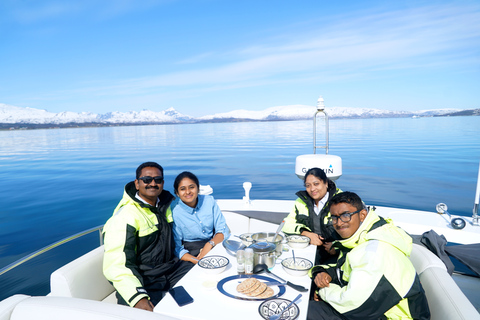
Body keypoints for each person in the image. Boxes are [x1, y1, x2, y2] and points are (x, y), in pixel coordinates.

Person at [307, 192, 430, 320]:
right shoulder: (367, 237)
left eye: (345, 215)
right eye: (334, 217)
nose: (338, 223)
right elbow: (347, 269)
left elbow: (354, 306)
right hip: (378, 309)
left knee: (307, 311)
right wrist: (325, 273)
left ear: (362, 215)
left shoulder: (374, 252)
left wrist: (322, 291)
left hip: (392, 316)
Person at [103, 162, 191, 311]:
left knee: (205, 276)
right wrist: (138, 298)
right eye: (146, 179)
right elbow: (117, 265)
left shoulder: (163, 206)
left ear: (162, 183)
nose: (152, 183)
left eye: (157, 180)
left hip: (169, 270)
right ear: (137, 183)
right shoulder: (125, 217)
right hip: (144, 278)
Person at [282, 167, 342, 263]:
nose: (312, 189)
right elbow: (285, 224)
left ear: (326, 183)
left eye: (316, 184)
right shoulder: (300, 202)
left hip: (336, 255)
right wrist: (305, 234)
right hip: (308, 251)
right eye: (308, 185)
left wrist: (338, 247)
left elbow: (354, 230)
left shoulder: (341, 201)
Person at [171, 171, 230, 264]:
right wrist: (197, 260)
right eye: (182, 189)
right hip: (190, 251)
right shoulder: (174, 212)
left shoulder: (209, 201)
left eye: (192, 187)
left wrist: (209, 244)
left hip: (213, 243)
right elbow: (177, 247)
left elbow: (222, 230)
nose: (188, 192)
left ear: (198, 189)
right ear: (177, 193)